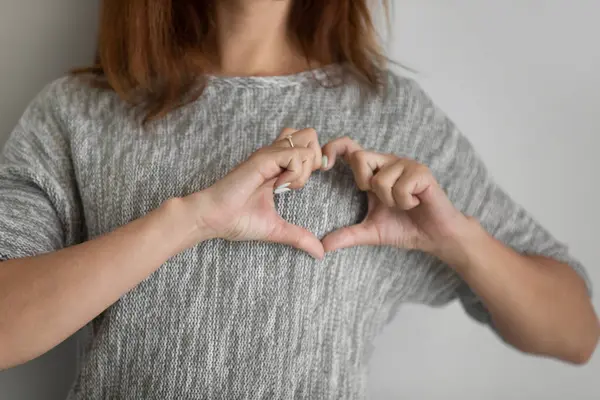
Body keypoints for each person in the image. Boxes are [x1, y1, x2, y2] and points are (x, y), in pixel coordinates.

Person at [0, 0, 597, 398]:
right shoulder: (80, 110)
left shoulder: (391, 115)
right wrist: (190, 220)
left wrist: (455, 239)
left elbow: (575, 333)